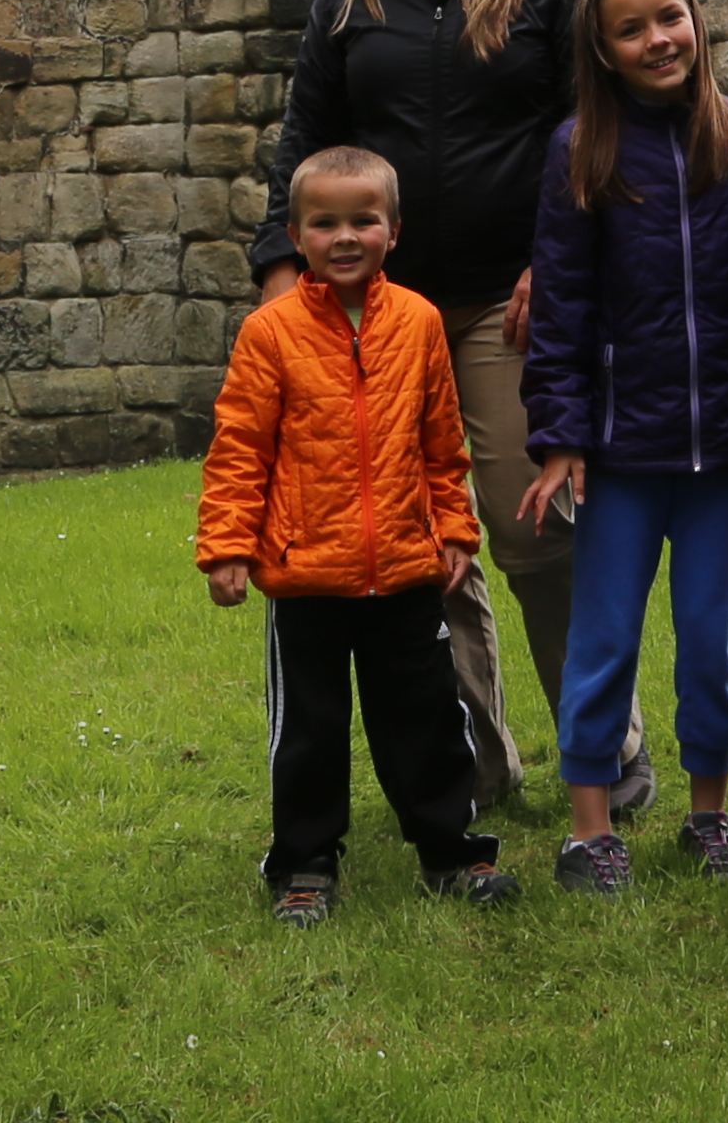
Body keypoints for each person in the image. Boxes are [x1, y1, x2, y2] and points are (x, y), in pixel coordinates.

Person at [245, 0, 607, 806]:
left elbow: (588, 131)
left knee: (534, 530)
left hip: (509, 298)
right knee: (412, 544)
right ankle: (475, 766)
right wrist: (282, 276)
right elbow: (305, 140)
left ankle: (605, 754)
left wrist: (561, 258)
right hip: (378, 313)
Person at [199, 147, 517, 918]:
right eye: (325, 222)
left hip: (407, 570)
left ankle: (451, 851)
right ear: (296, 235)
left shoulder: (418, 322)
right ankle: (305, 864)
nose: (346, 237)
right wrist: (228, 546)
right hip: (306, 572)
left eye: (363, 220)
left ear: (393, 230)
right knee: (309, 729)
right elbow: (240, 446)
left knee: (428, 720)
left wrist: (453, 530)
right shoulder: (270, 333)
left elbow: (442, 443)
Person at [516, 0, 728, 894]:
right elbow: (563, 311)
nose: (658, 38)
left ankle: (709, 817)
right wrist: (561, 440)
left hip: (724, 448)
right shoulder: (579, 150)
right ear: (605, 50)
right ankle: (592, 829)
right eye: (632, 29)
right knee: (603, 639)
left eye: (670, 17)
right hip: (619, 454)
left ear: (696, 21)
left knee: (714, 641)